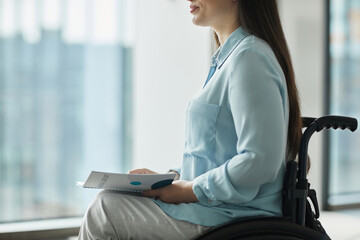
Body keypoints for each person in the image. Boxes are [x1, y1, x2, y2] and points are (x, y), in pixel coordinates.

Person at [78, 0, 302, 239]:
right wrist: (170, 179)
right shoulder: (231, 59)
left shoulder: (249, 58)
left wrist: (190, 189)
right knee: (111, 201)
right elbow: (216, 153)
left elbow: (259, 162)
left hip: (234, 216)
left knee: (105, 210)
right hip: (218, 209)